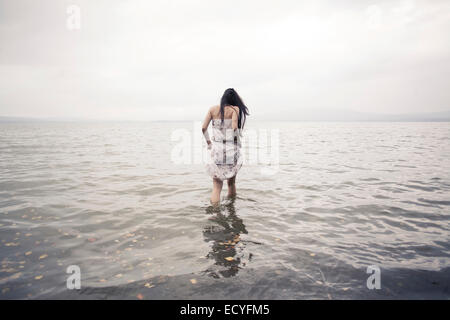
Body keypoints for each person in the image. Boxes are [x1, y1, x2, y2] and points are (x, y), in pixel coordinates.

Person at [202, 88, 250, 204]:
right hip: (231, 149)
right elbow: (234, 127)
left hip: (216, 149)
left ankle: (215, 214)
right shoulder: (235, 109)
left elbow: (203, 128)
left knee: (217, 186)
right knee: (231, 183)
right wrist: (237, 142)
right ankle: (231, 209)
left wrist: (209, 143)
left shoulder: (212, 109)